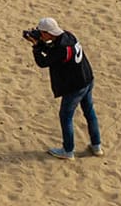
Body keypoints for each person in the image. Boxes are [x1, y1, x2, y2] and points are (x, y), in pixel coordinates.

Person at [27, 18, 100, 159]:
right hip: (87, 79)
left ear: (48, 33)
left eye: (42, 33)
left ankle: (68, 151)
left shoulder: (61, 50)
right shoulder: (68, 36)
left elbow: (43, 62)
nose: (40, 35)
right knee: (89, 113)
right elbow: (53, 50)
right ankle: (96, 146)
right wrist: (41, 43)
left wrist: (36, 46)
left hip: (75, 87)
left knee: (66, 117)